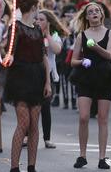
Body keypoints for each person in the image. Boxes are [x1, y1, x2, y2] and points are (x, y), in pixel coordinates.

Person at [3, 0, 52, 172]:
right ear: (33, 8)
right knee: (23, 123)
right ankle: (14, 167)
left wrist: (47, 82)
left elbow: (44, 57)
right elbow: (10, 53)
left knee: (34, 124)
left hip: (37, 76)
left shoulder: (38, 30)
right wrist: (8, 58)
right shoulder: (15, 27)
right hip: (20, 76)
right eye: (37, 7)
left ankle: (32, 167)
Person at [70, 1, 111, 170]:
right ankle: (82, 155)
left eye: (97, 11)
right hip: (86, 77)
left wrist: (95, 47)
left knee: (102, 118)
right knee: (83, 117)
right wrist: (82, 61)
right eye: (91, 12)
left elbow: (109, 55)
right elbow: (73, 61)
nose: (94, 13)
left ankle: (102, 158)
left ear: (102, 15)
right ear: (87, 17)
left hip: (105, 77)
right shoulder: (82, 35)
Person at [37, 8, 67, 149]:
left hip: (48, 74)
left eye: (42, 20)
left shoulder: (54, 35)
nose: (38, 22)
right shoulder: (32, 33)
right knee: (31, 106)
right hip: (33, 72)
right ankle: (26, 136)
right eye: (37, 19)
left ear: (48, 22)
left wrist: (47, 34)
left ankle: (47, 138)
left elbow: (56, 50)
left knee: (45, 106)